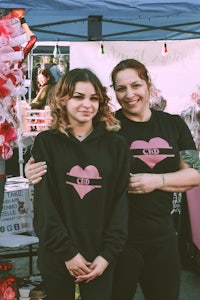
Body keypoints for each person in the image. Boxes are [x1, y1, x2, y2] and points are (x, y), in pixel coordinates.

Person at [25, 59, 200, 300]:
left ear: (148, 84)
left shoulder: (171, 125)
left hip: (155, 235)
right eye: (121, 88)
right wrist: (31, 167)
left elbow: (195, 174)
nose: (130, 94)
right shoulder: (112, 129)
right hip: (119, 242)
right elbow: (68, 149)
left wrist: (155, 181)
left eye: (136, 85)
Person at [28, 68, 130, 300]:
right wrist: (68, 253)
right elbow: (45, 205)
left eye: (94, 98)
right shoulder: (46, 142)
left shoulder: (116, 145)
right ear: (62, 99)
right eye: (78, 96)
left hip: (101, 256)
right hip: (57, 254)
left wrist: (107, 256)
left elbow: (120, 203)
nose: (87, 104)